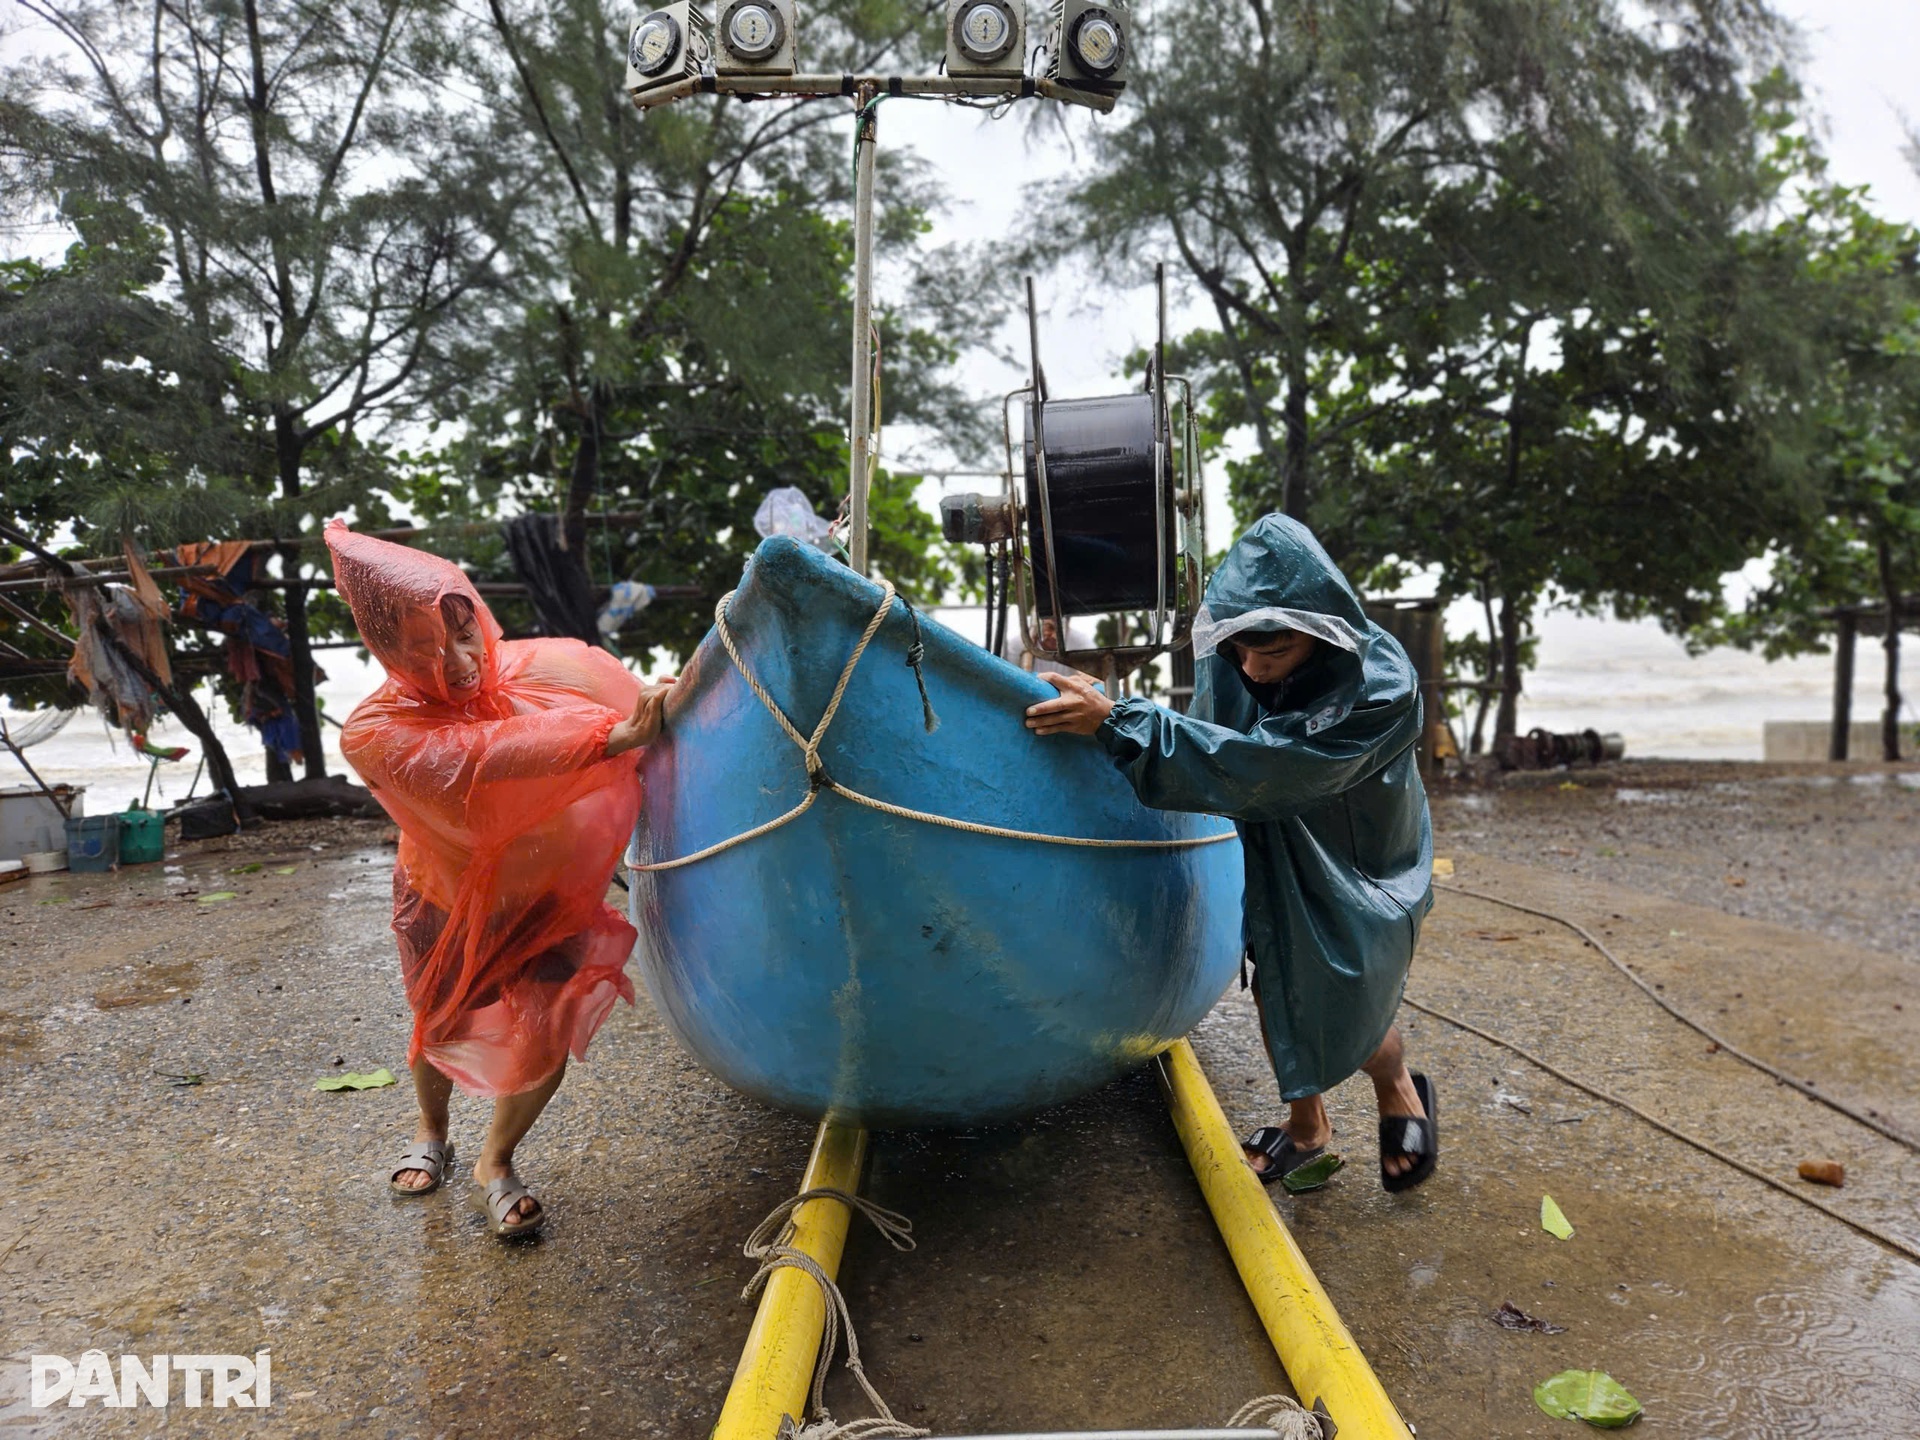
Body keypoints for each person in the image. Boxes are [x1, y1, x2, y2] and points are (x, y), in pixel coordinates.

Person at [1023, 514, 1438, 1192]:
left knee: (1351, 982)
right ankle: (1308, 1126)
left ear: (1320, 630)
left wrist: (1121, 724)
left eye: (1272, 654)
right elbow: (1213, 737)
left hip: (1355, 848)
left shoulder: (1381, 689)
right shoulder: (1236, 650)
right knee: (1275, 969)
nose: (1252, 668)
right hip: (1269, 825)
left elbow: (1271, 766)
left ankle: (1399, 1089)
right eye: (1240, 650)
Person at [324, 520, 673, 1238]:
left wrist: (669, 698)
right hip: (443, 897)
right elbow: (481, 753)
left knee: (546, 1032)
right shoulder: (372, 730)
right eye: (424, 648)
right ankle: (432, 1130)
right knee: (440, 1021)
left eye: (464, 636)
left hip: (547, 894)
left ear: (482, 622)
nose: (457, 661)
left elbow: (621, 693)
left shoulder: (536, 669)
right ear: (388, 654)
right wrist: (608, 737)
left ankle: (496, 1160)